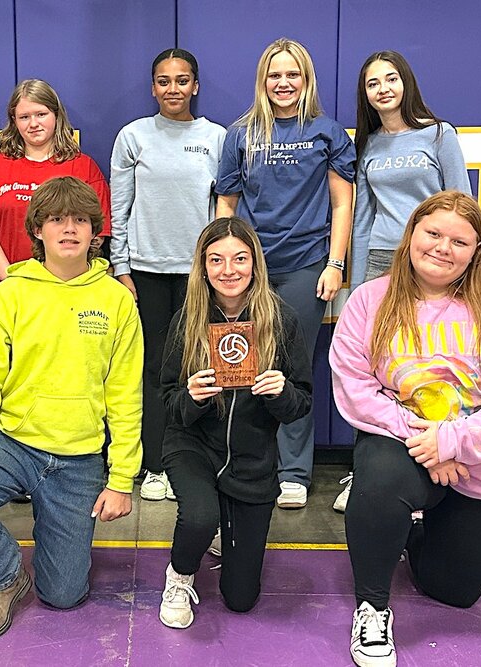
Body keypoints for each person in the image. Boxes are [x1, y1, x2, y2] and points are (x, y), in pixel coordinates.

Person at [329, 191, 481, 667]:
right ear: (412, 234)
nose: (442, 247)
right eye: (433, 233)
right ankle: (372, 604)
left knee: (456, 592)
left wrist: (458, 441)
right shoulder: (371, 299)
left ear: (477, 250)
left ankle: (414, 537)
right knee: (380, 482)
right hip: (406, 441)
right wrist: (429, 438)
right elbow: (355, 388)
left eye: (459, 240)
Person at [0, 176, 142, 644]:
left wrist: (122, 478)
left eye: (80, 220)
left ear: (95, 232)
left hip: (79, 458)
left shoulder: (117, 301)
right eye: (56, 219)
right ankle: (5, 576)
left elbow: (126, 396)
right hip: (12, 444)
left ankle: (57, 541)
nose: (69, 229)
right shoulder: (11, 293)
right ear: (37, 230)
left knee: (64, 595)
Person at [216, 38, 354, 509]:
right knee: (240, 362)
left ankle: (294, 472)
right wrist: (226, 261)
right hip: (249, 269)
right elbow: (226, 205)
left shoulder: (328, 132)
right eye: (275, 74)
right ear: (263, 80)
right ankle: (246, 462)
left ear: (306, 79)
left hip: (306, 265)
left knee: (291, 367)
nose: (284, 83)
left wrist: (335, 264)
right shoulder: (241, 134)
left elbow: (342, 202)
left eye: (292, 74)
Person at [157, 216, 312, 628]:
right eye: (216, 260)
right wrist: (191, 399)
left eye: (240, 258)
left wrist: (282, 393)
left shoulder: (282, 320)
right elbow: (167, 403)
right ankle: (179, 574)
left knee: (241, 599)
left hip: (251, 459)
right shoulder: (187, 321)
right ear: (203, 267)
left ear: (256, 264)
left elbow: (302, 404)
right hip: (193, 446)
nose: (229, 270)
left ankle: (226, 521)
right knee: (200, 515)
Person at [335, 51, 472, 513]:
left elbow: (461, 205)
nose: (383, 89)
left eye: (390, 79)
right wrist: (354, 285)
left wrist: (462, 264)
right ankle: (368, 472)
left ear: (404, 83)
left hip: (433, 262)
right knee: (376, 370)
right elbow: (362, 216)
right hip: (380, 261)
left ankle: (426, 461)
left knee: (428, 364)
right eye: (373, 83)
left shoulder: (438, 134)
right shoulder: (369, 145)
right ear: (366, 95)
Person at [110, 48, 226, 501]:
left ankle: (199, 463)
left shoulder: (216, 137)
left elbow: (225, 209)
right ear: (153, 86)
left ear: (195, 86)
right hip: (146, 271)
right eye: (163, 81)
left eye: (182, 80)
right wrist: (121, 268)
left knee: (205, 367)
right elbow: (119, 209)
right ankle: (156, 466)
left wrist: (220, 268)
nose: (172, 89)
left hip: (203, 276)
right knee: (156, 369)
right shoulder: (133, 136)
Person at [0, 79, 111, 294]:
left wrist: (65, 280)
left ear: (56, 115)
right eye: (24, 117)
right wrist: (13, 280)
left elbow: (97, 230)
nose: (33, 124)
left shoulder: (83, 167)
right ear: (14, 121)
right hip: (11, 290)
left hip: (69, 289)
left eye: (41, 114)